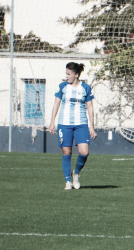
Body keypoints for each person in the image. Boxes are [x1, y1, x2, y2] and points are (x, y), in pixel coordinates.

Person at [49, 62, 97, 190]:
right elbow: (56, 104)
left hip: (81, 124)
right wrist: (52, 122)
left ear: (76, 75)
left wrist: (92, 126)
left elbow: (90, 107)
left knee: (84, 152)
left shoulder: (85, 88)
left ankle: (76, 173)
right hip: (64, 124)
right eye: (66, 74)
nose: (66, 76)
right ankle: (68, 182)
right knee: (67, 151)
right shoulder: (62, 86)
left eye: (69, 74)